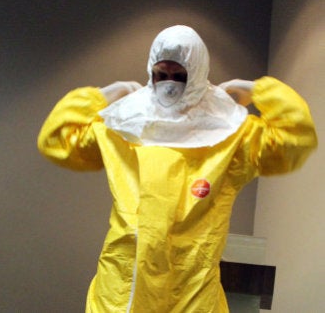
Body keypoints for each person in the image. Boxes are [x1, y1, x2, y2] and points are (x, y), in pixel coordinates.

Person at [37, 25, 317, 312]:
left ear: (196, 73)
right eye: (161, 75)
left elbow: (295, 141)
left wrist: (262, 91)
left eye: (179, 76)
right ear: (151, 72)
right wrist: (102, 97)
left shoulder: (231, 135)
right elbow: (57, 141)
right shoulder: (124, 128)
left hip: (190, 289)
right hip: (125, 286)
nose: (169, 84)